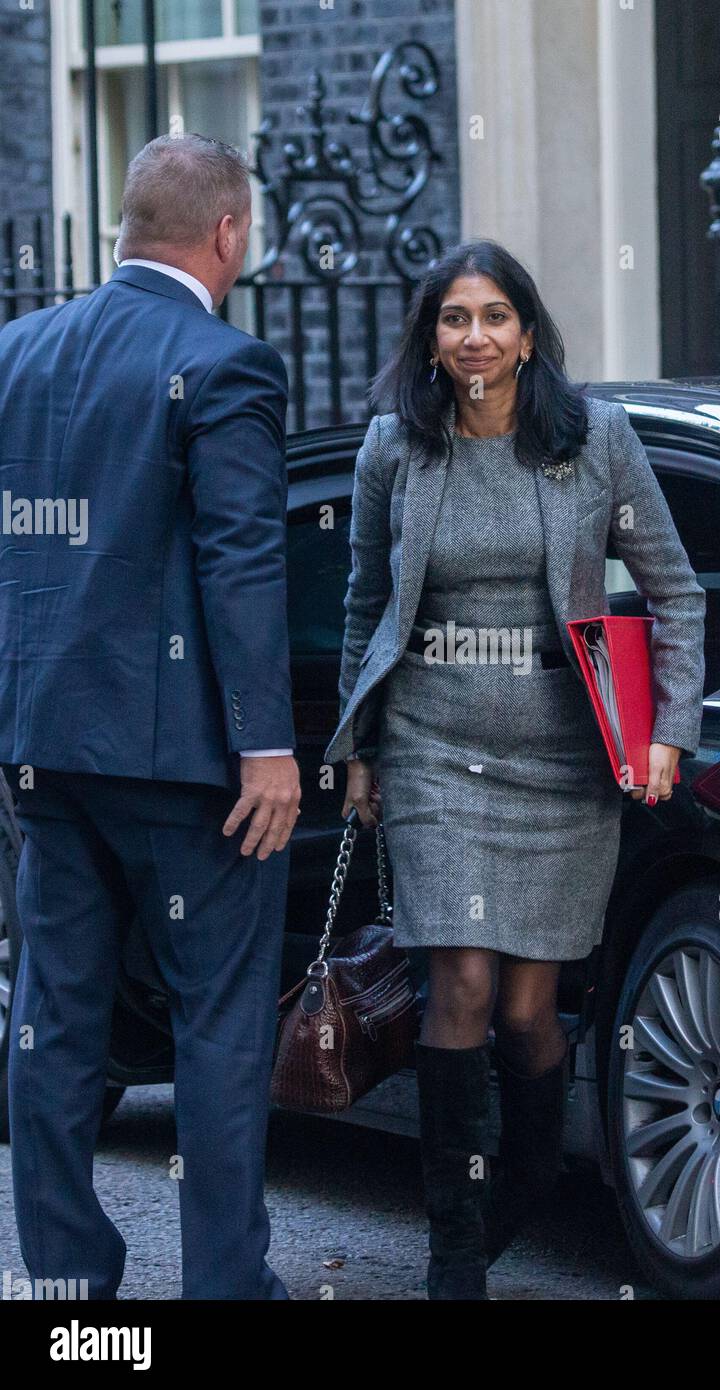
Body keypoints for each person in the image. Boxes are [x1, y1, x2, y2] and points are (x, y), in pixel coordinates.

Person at [324, 239, 706, 1299]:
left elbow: (674, 594)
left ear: (527, 335)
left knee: (530, 1012)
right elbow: (364, 606)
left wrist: (665, 728)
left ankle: (528, 1175)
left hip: (560, 751)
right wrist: (358, 748)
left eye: (494, 315)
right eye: (454, 318)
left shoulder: (595, 443)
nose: (474, 335)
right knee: (462, 982)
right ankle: (453, 1251)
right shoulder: (391, 452)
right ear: (431, 339)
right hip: (433, 744)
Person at [0, 133, 300, 1300]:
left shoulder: (18, 352)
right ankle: (224, 1289)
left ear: (129, 223)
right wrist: (267, 746)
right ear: (226, 234)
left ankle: (69, 1285)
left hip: (46, 751)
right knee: (219, 1028)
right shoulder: (227, 365)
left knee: (55, 1016)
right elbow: (242, 563)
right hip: (186, 770)